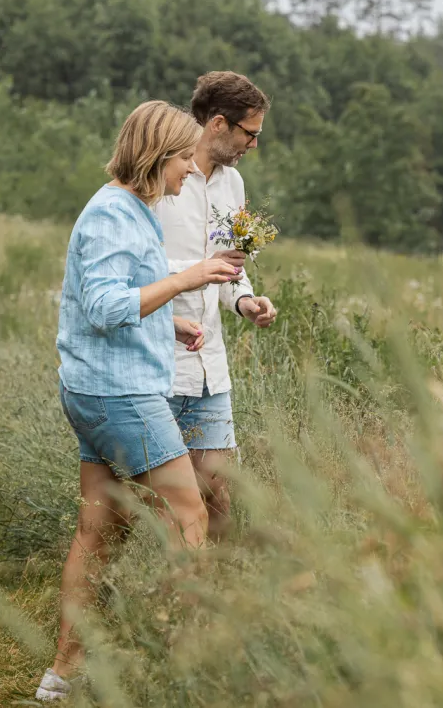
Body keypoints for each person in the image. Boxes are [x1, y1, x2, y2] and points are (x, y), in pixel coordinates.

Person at [37, 100, 241, 702]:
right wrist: (186, 280)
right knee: (191, 515)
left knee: (96, 530)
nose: (189, 171)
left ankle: (61, 676)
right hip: (119, 395)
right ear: (158, 156)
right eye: (184, 158)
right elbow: (101, 309)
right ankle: (181, 666)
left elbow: (115, 298)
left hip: (99, 387)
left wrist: (167, 324)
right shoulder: (113, 214)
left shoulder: (131, 209)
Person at [154, 71, 278, 542]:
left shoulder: (233, 185)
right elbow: (136, 264)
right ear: (219, 124)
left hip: (211, 368)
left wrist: (246, 299)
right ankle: (165, 599)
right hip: (161, 358)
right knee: (165, 503)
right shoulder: (162, 175)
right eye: (252, 133)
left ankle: (220, 599)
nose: (254, 144)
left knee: (219, 496)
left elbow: (230, 266)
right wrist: (199, 267)